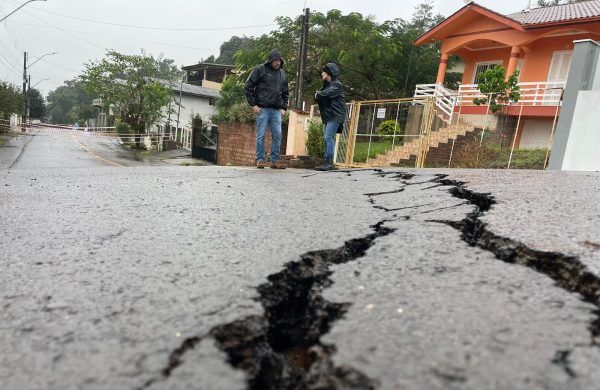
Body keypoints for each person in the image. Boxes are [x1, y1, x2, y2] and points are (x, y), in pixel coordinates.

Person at [244, 49, 289, 169]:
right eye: (276, 60)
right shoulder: (260, 69)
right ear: (271, 60)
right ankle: (260, 160)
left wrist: (284, 107)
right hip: (262, 109)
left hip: (277, 111)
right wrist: (253, 104)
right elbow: (248, 86)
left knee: (278, 135)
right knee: (261, 135)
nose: (278, 62)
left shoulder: (283, 74)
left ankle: (275, 160)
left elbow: (286, 92)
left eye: (280, 60)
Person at [314, 63, 346, 171]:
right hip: (329, 116)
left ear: (329, 73)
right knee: (326, 137)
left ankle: (329, 162)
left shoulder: (337, 85)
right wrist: (319, 94)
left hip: (335, 115)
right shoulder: (327, 85)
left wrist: (318, 94)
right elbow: (320, 97)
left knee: (328, 137)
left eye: (323, 72)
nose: (322, 74)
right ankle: (327, 161)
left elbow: (325, 94)